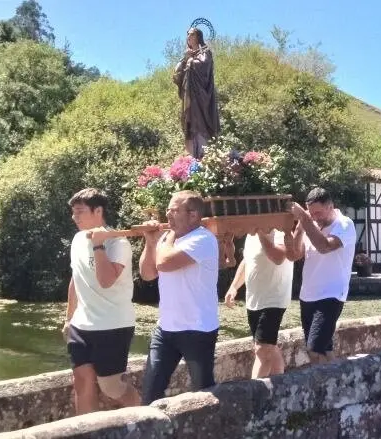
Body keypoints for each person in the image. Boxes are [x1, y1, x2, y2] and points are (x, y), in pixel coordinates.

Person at [139, 190, 220, 405]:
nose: (168, 215)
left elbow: (164, 263)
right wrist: (150, 242)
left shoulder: (203, 239)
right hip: (166, 328)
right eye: (167, 210)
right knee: (149, 395)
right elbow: (148, 274)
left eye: (174, 211)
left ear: (193, 215)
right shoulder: (166, 240)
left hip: (197, 329)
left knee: (203, 394)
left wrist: (168, 237)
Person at [63, 189, 140, 415]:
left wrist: (98, 245)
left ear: (98, 211)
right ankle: (87, 429)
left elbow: (106, 281)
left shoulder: (118, 243)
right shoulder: (78, 240)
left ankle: (145, 417)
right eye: (73, 212)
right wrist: (68, 318)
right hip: (81, 325)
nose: (74, 217)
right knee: (82, 381)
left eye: (80, 212)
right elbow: (76, 279)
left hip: (113, 325)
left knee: (111, 387)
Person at [287, 188, 357, 365]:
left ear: (330, 206)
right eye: (311, 213)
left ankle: (324, 381)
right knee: (324, 349)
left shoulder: (344, 224)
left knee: (314, 348)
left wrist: (305, 219)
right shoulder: (310, 225)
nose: (315, 217)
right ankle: (337, 380)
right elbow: (295, 255)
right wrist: (299, 228)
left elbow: (325, 247)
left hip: (331, 295)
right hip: (307, 295)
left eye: (318, 213)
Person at [223, 226, 295, 379]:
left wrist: (261, 231)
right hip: (255, 299)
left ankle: (253, 392)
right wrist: (234, 287)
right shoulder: (251, 235)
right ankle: (280, 385)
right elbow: (247, 261)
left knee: (262, 350)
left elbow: (278, 257)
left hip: (274, 299)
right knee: (268, 347)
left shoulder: (280, 232)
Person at [173, 26, 220, 159]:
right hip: (189, 95)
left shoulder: (205, 51)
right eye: (188, 34)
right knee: (190, 120)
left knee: (200, 119)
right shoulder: (187, 55)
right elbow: (177, 75)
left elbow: (204, 67)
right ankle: (193, 153)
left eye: (192, 34)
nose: (189, 37)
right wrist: (185, 59)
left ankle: (204, 153)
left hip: (201, 96)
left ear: (198, 37)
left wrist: (190, 61)